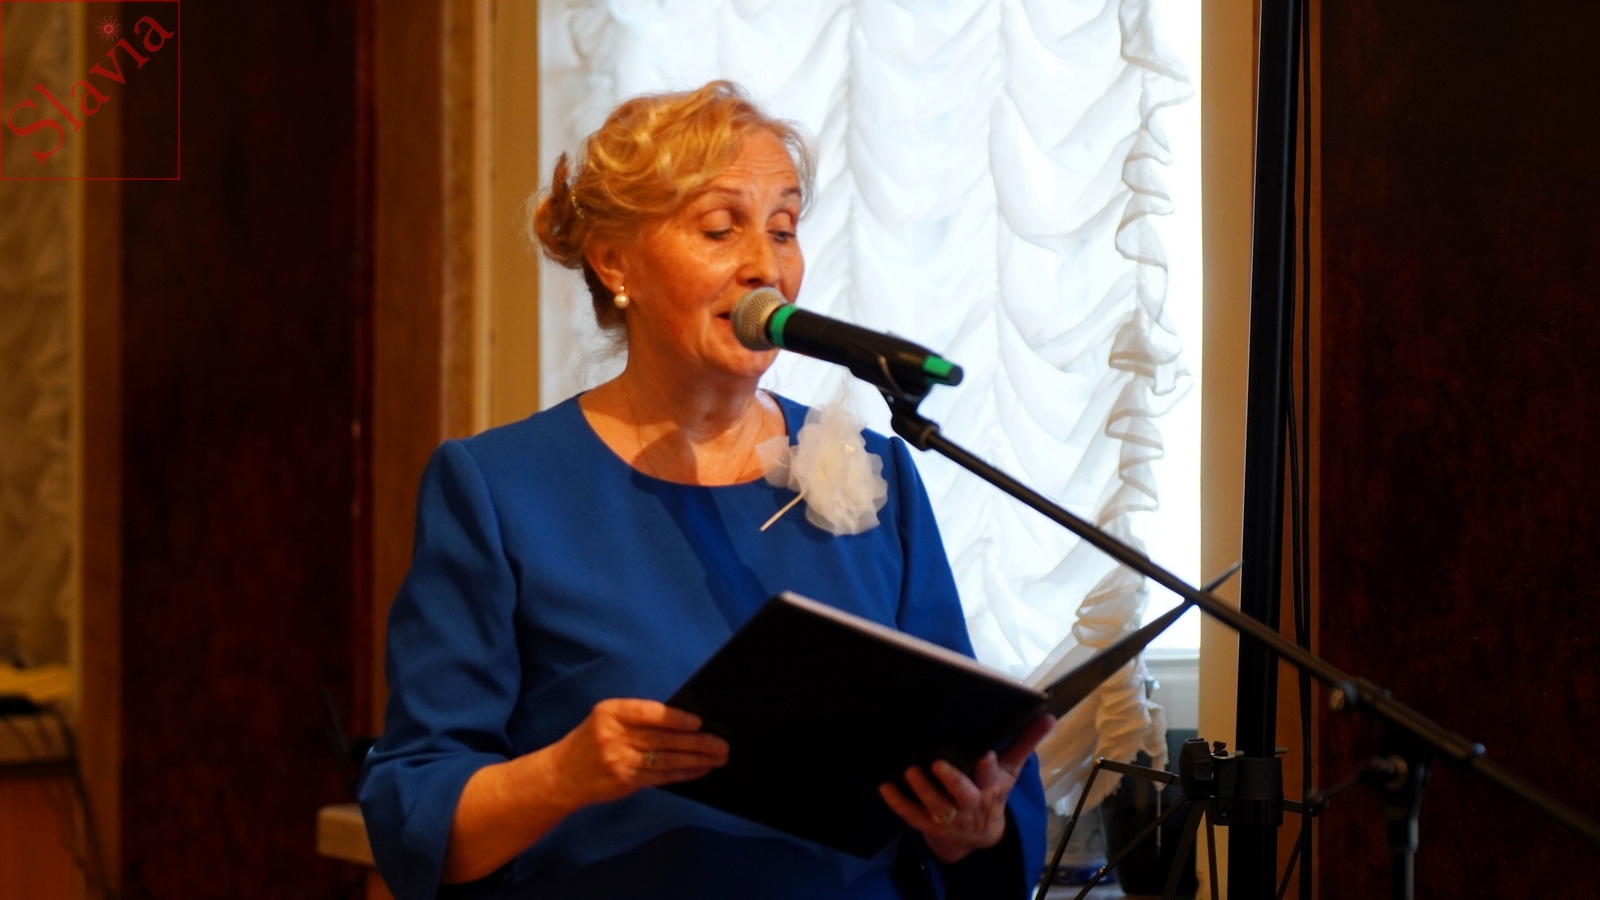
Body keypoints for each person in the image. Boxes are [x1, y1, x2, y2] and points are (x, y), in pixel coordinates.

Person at [358, 80, 1053, 899]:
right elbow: (415, 809)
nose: (766, 266)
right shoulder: (497, 489)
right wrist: (562, 774)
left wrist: (974, 826)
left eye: (783, 229)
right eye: (721, 228)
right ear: (615, 261)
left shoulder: (880, 472)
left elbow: (966, 756)